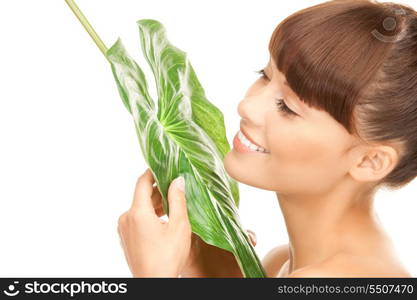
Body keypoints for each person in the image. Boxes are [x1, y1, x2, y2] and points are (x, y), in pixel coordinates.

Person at [117, 0, 417, 277]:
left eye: (286, 106)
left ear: (370, 160)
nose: (246, 106)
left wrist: (154, 276)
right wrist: (206, 270)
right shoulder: (283, 264)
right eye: (264, 74)